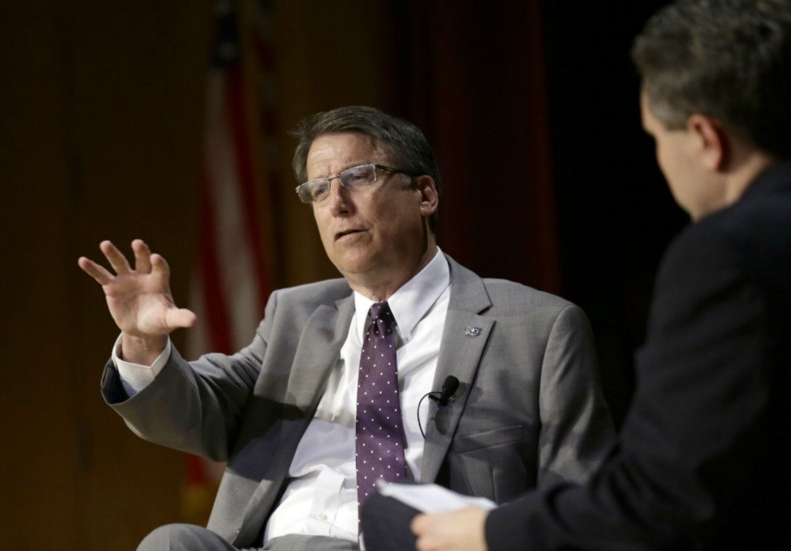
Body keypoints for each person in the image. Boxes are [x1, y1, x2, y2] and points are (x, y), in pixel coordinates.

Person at [77, 105, 615, 551]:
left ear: (425, 194)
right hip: (278, 543)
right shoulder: (296, 315)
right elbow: (204, 409)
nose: (337, 204)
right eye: (318, 189)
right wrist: (146, 342)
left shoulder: (537, 328)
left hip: (417, 541)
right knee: (172, 544)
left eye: (359, 178)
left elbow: (581, 499)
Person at [363, 1, 791, 549]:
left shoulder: (727, 254)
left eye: (657, 139)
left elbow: (663, 496)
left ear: (707, 139)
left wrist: (484, 531)